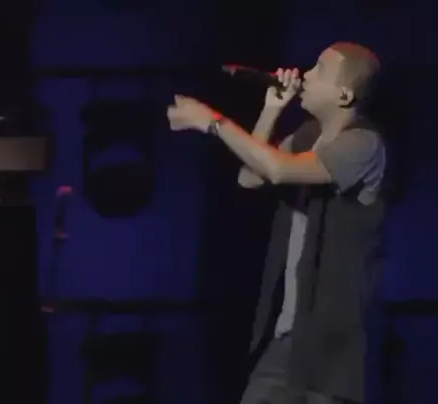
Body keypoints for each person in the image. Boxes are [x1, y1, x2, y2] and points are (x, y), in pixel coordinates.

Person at [168, 42, 385, 404]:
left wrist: (212, 122)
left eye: (319, 70)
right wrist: (271, 110)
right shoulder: (305, 136)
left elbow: (279, 169)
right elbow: (252, 177)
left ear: (344, 95)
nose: (305, 75)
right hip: (285, 339)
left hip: (332, 347)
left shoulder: (363, 144)